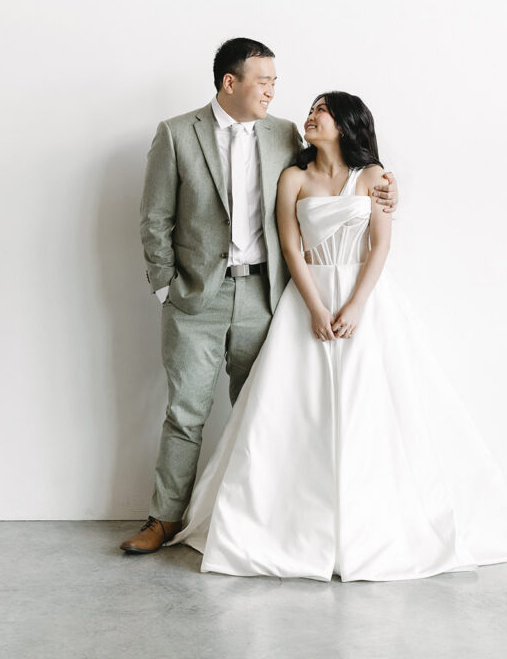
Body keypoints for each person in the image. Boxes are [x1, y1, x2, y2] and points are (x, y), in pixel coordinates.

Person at [166, 91, 507, 581]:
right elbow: (290, 247)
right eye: (312, 108)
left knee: (374, 408)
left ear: (345, 123)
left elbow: (381, 245)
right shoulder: (293, 177)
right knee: (295, 411)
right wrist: (317, 307)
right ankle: (288, 526)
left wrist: (356, 304)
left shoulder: (375, 178)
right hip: (308, 299)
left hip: (366, 301)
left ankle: (377, 523)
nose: (310, 114)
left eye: (322, 109)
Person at [120, 42, 398, 554]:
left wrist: (388, 187)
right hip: (195, 299)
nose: (273, 89)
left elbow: (337, 176)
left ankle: (264, 520)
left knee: (265, 411)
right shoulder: (178, 134)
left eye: (275, 81)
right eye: (263, 80)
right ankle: (163, 519)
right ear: (231, 83)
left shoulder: (286, 134)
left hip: (268, 296)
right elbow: (154, 217)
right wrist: (166, 286)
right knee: (185, 413)